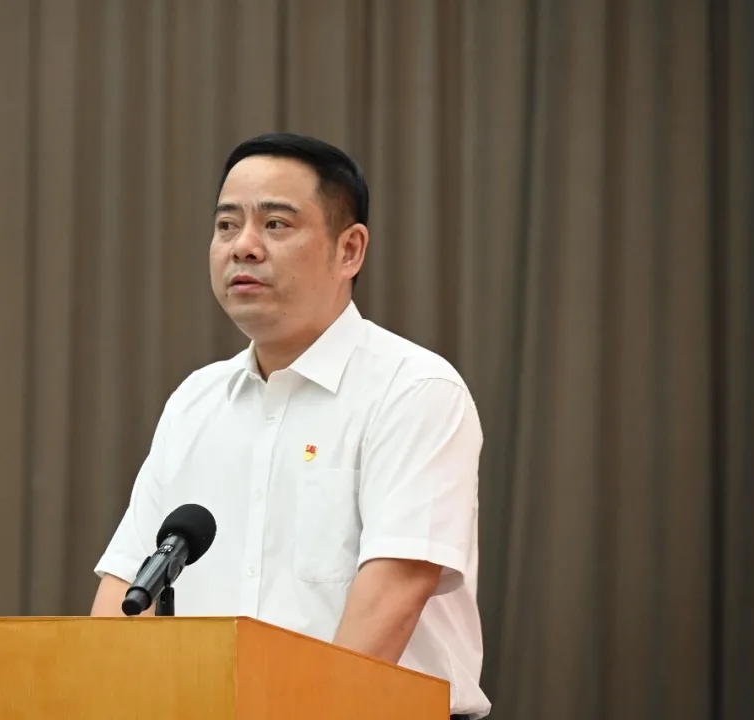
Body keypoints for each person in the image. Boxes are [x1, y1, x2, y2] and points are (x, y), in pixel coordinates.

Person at [91, 132, 491, 719]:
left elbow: (394, 593)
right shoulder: (195, 401)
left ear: (349, 250)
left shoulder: (413, 390)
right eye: (227, 225)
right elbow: (127, 590)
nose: (243, 247)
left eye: (275, 224)